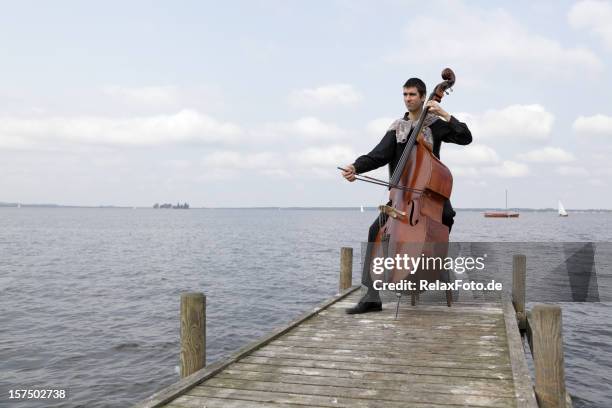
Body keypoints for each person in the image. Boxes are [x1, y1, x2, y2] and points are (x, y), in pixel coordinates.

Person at [342, 77, 472, 314]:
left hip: (428, 193)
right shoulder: (397, 128)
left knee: (447, 214)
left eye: (412, 94)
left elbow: (466, 137)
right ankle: (371, 296)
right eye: (405, 94)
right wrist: (355, 167)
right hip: (402, 196)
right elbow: (378, 155)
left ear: (423, 97)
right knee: (375, 231)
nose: (408, 99)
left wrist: (444, 113)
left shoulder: (434, 123)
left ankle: (433, 261)